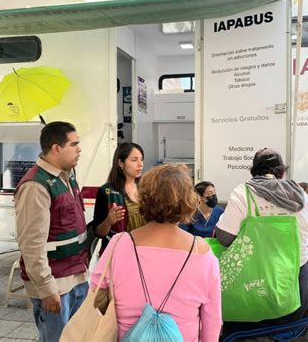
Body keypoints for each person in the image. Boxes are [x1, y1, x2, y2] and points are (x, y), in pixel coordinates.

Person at [91, 164, 222, 341]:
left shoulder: (120, 244)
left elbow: (95, 293)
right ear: (189, 201)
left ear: (143, 199)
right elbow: (212, 319)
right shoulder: (203, 253)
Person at [215, 148, 308, 341]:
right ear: (282, 171)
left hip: (256, 294)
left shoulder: (243, 192)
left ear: (253, 171)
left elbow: (224, 238)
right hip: (301, 294)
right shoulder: (301, 195)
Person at [15, 121, 88, 342]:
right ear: (56, 148)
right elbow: (31, 245)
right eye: (74, 144)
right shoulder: (35, 187)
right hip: (56, 283)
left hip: (77, 275)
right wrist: (46, 288)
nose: (79, 149)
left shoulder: (67, 176)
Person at [92, 142, 146, 252]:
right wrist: (108, 221)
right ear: (121, 163)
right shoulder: (106, 192)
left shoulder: (148, 188)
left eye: (141, 159)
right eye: (134, 160)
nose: (140, 164)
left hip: (144, 250)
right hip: (119, 252)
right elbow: (98, 232)